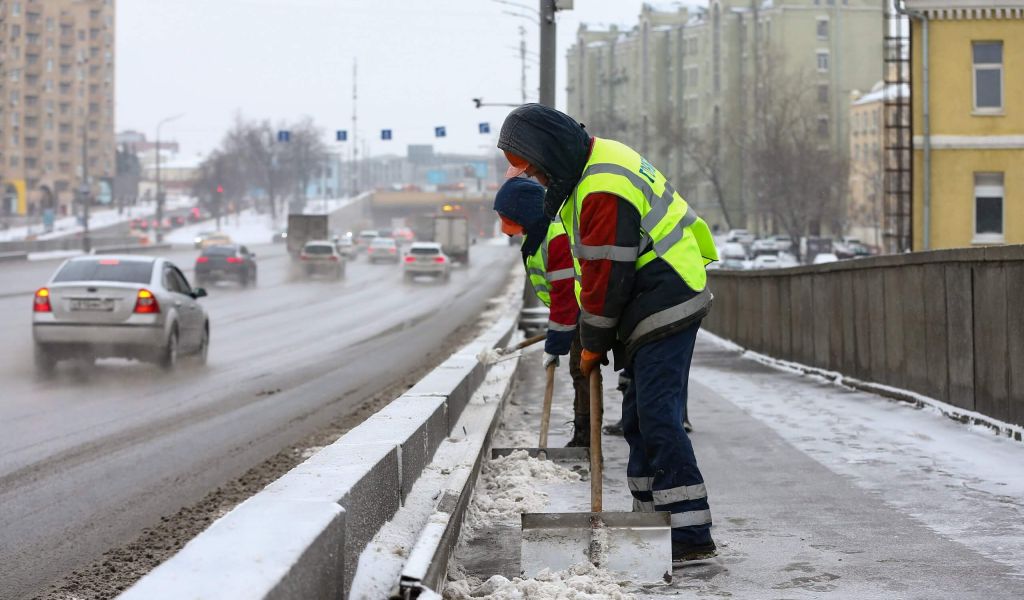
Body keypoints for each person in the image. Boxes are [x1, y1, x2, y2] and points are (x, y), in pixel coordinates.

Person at [497, 103, 719, 562]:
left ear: (548, 154)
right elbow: (597, 274)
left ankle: (690, 535)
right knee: (638, 418)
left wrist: (592, 345)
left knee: (658, 415)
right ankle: (649, 518)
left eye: (533, 169)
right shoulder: (597, 163)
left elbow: (605, 277)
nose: (535, 180)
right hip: (652, 298)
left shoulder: (600, 186)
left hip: (666, 298)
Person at [493, 177, 590, 447]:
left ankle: (585, 436)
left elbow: (564, 295)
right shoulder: (537, 237)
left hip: (587, 309)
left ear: (525, 213)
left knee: (583, 371)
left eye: (510, 219)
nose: (510, 229)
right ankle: (584, 435)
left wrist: (555, 344)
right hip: (577, 311)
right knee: (581, 371)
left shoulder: (554, 237)